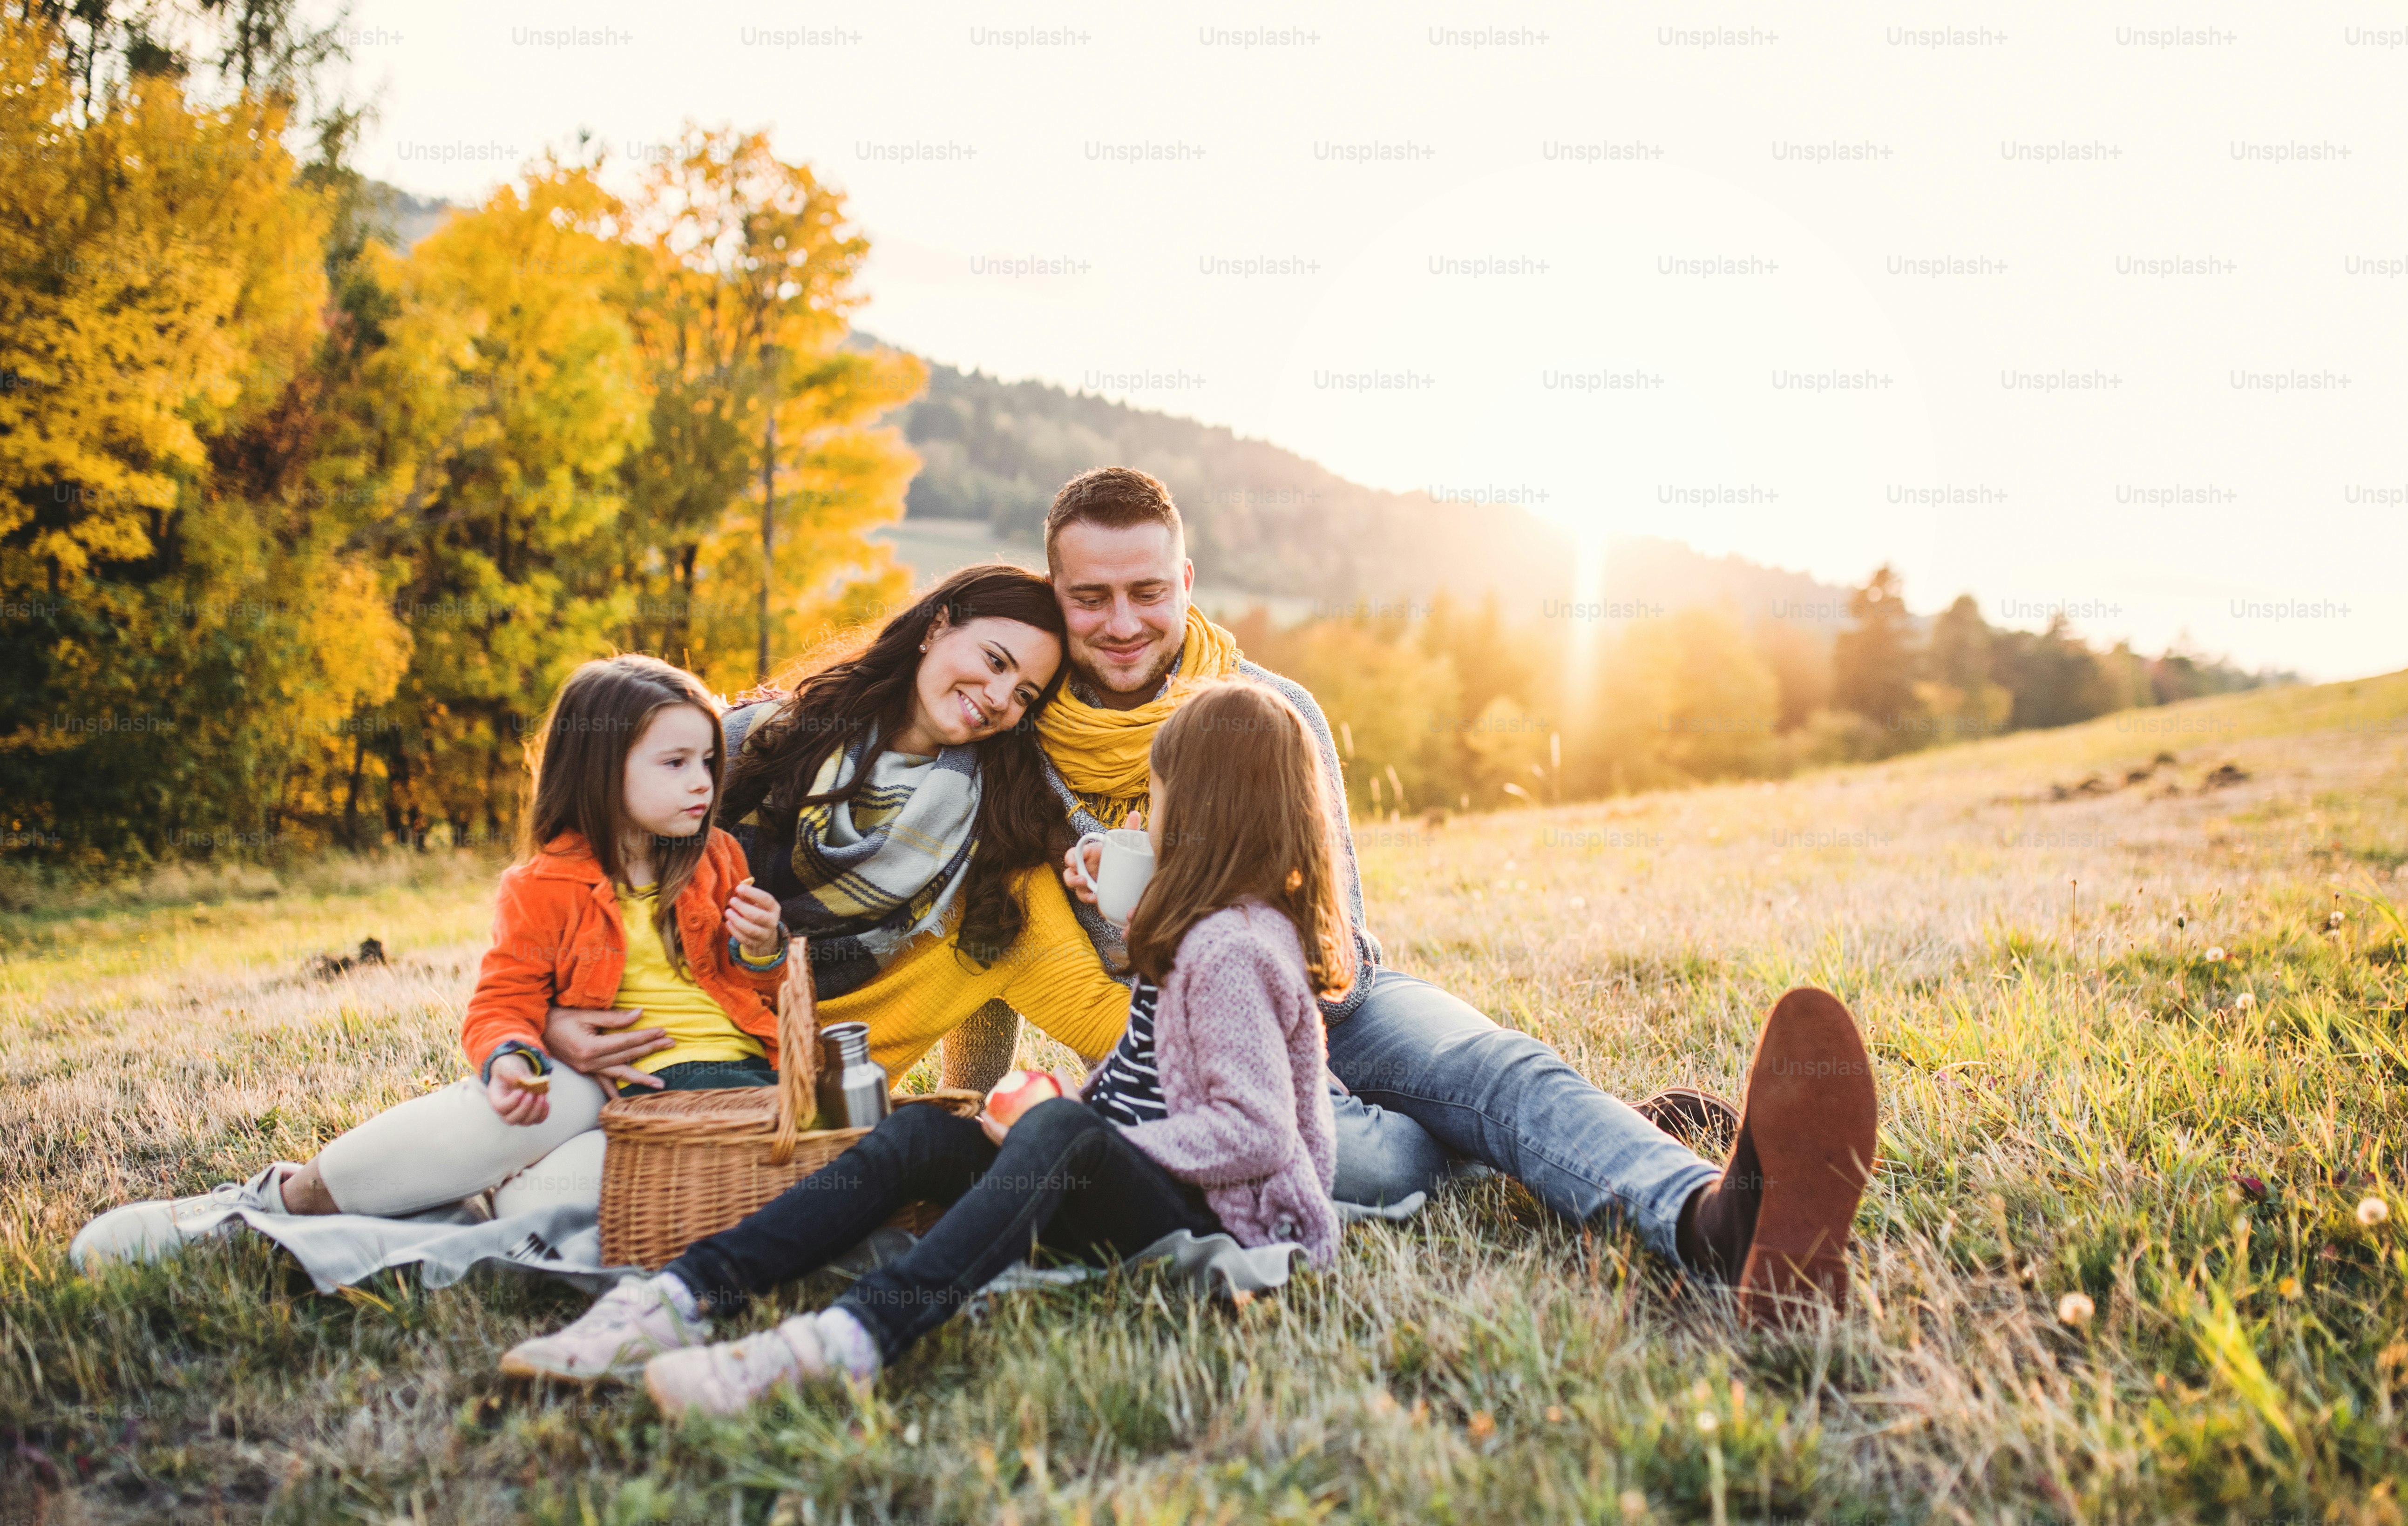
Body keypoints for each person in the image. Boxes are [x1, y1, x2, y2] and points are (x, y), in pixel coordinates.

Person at [1037, 467, 1878, 1322]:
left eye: (1146, 591)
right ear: (1054, 595)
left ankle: (1715, 1219)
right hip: (1204, 1058)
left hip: (1335, 999)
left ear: (1184, 582)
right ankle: (1550, 1138)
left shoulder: (1276, 709)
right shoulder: (1026, 755)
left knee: (1501, 1067)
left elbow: (1336, 940)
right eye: (1091, 598)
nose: (1122, 623)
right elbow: (1009, 956)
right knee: (1381, 1164)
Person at [501, 680, 1349, 1407]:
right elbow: (1143, 1076)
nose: (1143, 813)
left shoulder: (1234, 949)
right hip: (1142, 1182)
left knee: (1053, 1135)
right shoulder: (1198, 928)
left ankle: (843, 1341)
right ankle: (676, 1298)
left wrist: (1080, 1138)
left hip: (1230, 1224)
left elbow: (1256, 1134)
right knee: (918, 1134)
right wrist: (1069, 1114)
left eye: (1155, 795)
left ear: (1204, 810)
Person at [72, 655, 795, 1260]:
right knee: (519, 1110)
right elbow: (503, 998)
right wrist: (514, 1052)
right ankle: (270, 1204)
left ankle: (370, 1232)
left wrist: (763, 953)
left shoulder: (719, 859)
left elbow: (760, 998)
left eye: (707, 760)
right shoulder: (544, 885)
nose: (704, 781)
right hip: (604, 1088)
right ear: (601, 769)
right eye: (676, 762)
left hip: (714, 1095)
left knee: (544, 1219)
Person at [532, 563, 1136, 1104]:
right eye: (995, 661)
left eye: (1025, 694)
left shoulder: (998, 858)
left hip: (797, 1121)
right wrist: (549, 1017)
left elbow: (1105, 1012)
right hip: (635, 1042)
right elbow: (575, 877)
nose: (1001, 697)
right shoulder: (759, 740)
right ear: (937, 627)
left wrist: (1144, 904)